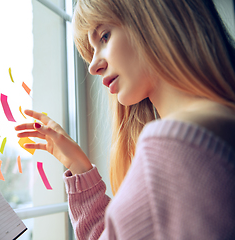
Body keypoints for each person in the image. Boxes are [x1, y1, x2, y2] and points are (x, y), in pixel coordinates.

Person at [15, 0, 235, 239]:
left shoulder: (172, 147)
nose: (92, 67)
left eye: (105, 37)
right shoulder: (218, 126)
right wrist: (79, 166)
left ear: (154, 18)